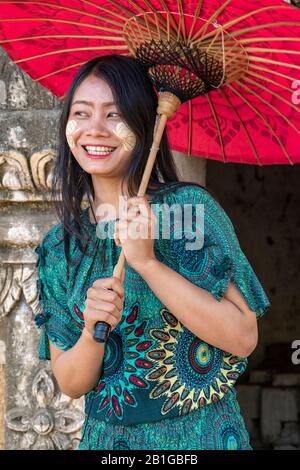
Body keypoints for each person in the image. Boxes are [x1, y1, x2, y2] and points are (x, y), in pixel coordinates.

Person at [34, 54, 270, 451]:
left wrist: (148, 263)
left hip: (200, 438)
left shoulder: (190, 213)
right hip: (109, 444)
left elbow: (243, 336)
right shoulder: (61, 246)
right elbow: (72, 382)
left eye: (114, 115)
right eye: (82, 112)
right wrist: (93, 330)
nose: (95, 129)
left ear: (143, 124)